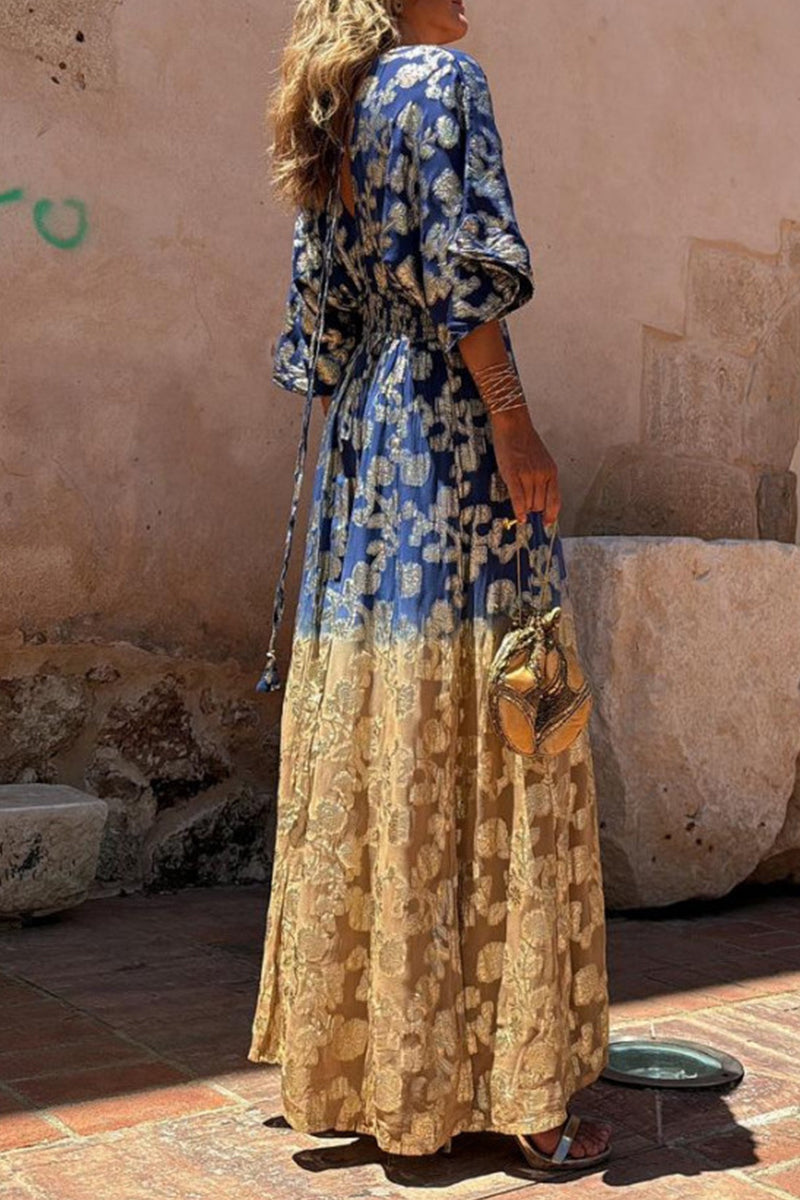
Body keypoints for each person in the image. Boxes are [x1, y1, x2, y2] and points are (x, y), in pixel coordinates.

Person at [248, 0, 612, 1174]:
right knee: (507, 726)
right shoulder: (441, 84)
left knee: (385, 735)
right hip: (451, 442)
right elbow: (464, 280)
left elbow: (317, 335)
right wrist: (513, 423)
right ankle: (518, 1089)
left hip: (368, 445)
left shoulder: (333, 105)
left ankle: (368, 1068)